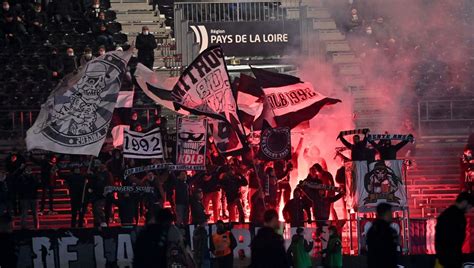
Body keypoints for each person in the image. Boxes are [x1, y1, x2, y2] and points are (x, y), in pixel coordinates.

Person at [435, 192, 474, 268]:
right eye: (470, 207)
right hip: (450, 260)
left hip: (443, 259)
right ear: (464, 202)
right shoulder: (458, 217)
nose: (470, 210)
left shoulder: (446, 214)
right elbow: (454, 240)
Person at [366, 203, 399, 268]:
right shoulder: (387, 231)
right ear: (386, 214)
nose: (391, 216)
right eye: (390, 213)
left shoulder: (372, 230)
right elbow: (387, 253)